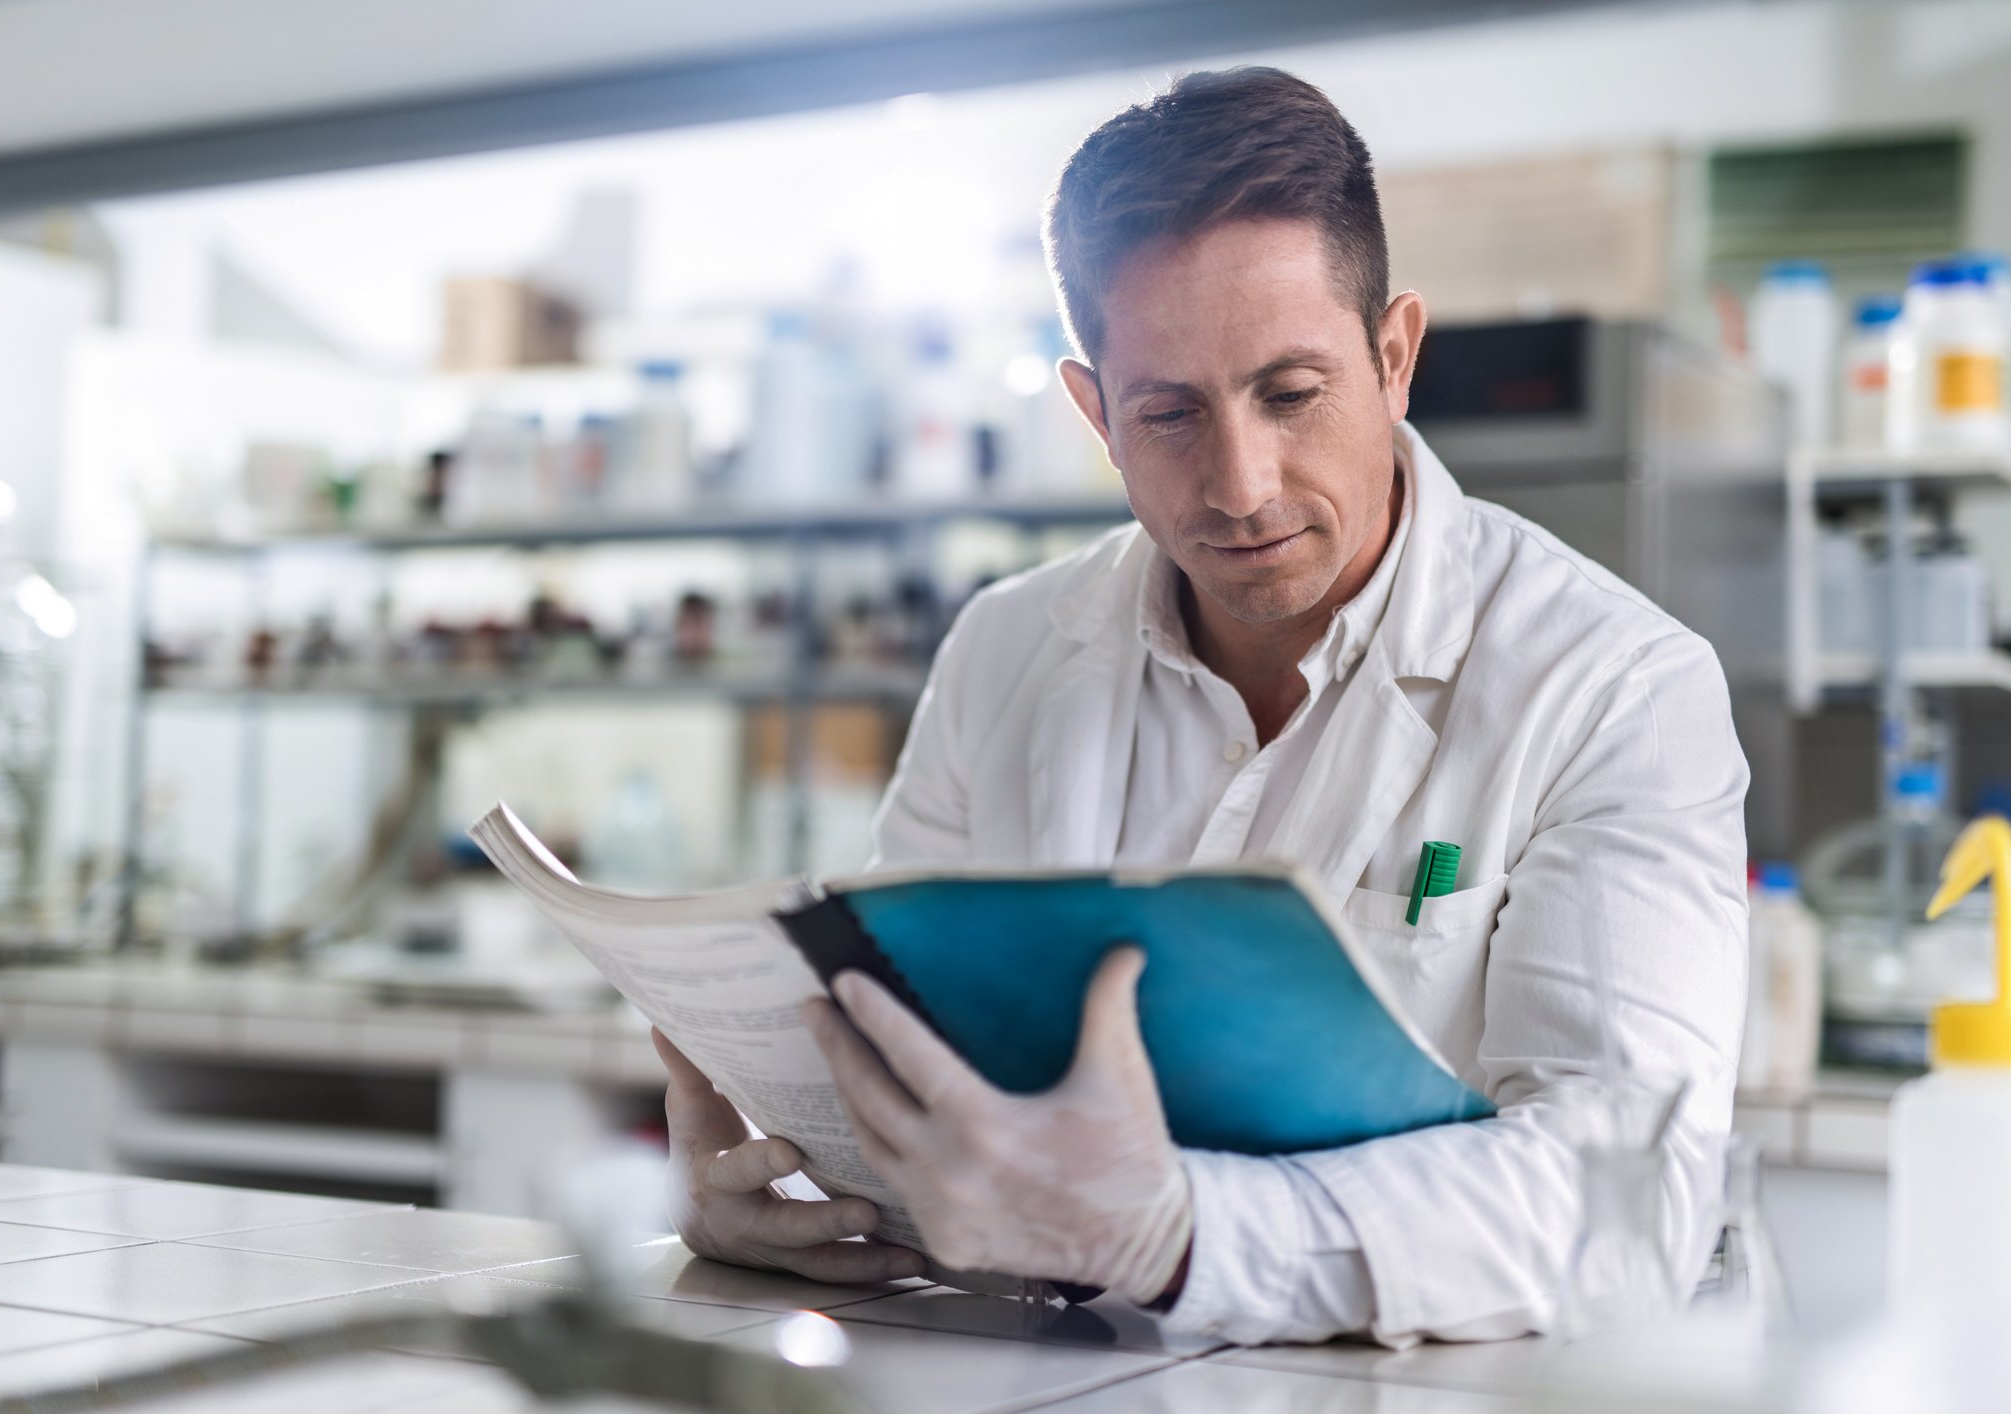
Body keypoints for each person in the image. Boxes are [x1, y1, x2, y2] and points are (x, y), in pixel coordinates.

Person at [654, 65, 1748, 1347]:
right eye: (1169, 413)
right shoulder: (1006, 650)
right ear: (1095, 414)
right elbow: (924, 1068)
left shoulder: (1613, 688)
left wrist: (1181, 1235)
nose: (1239, 484)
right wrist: (805, 1196)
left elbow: (1625, 1192)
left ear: (1394, 356)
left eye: (1291, 395)